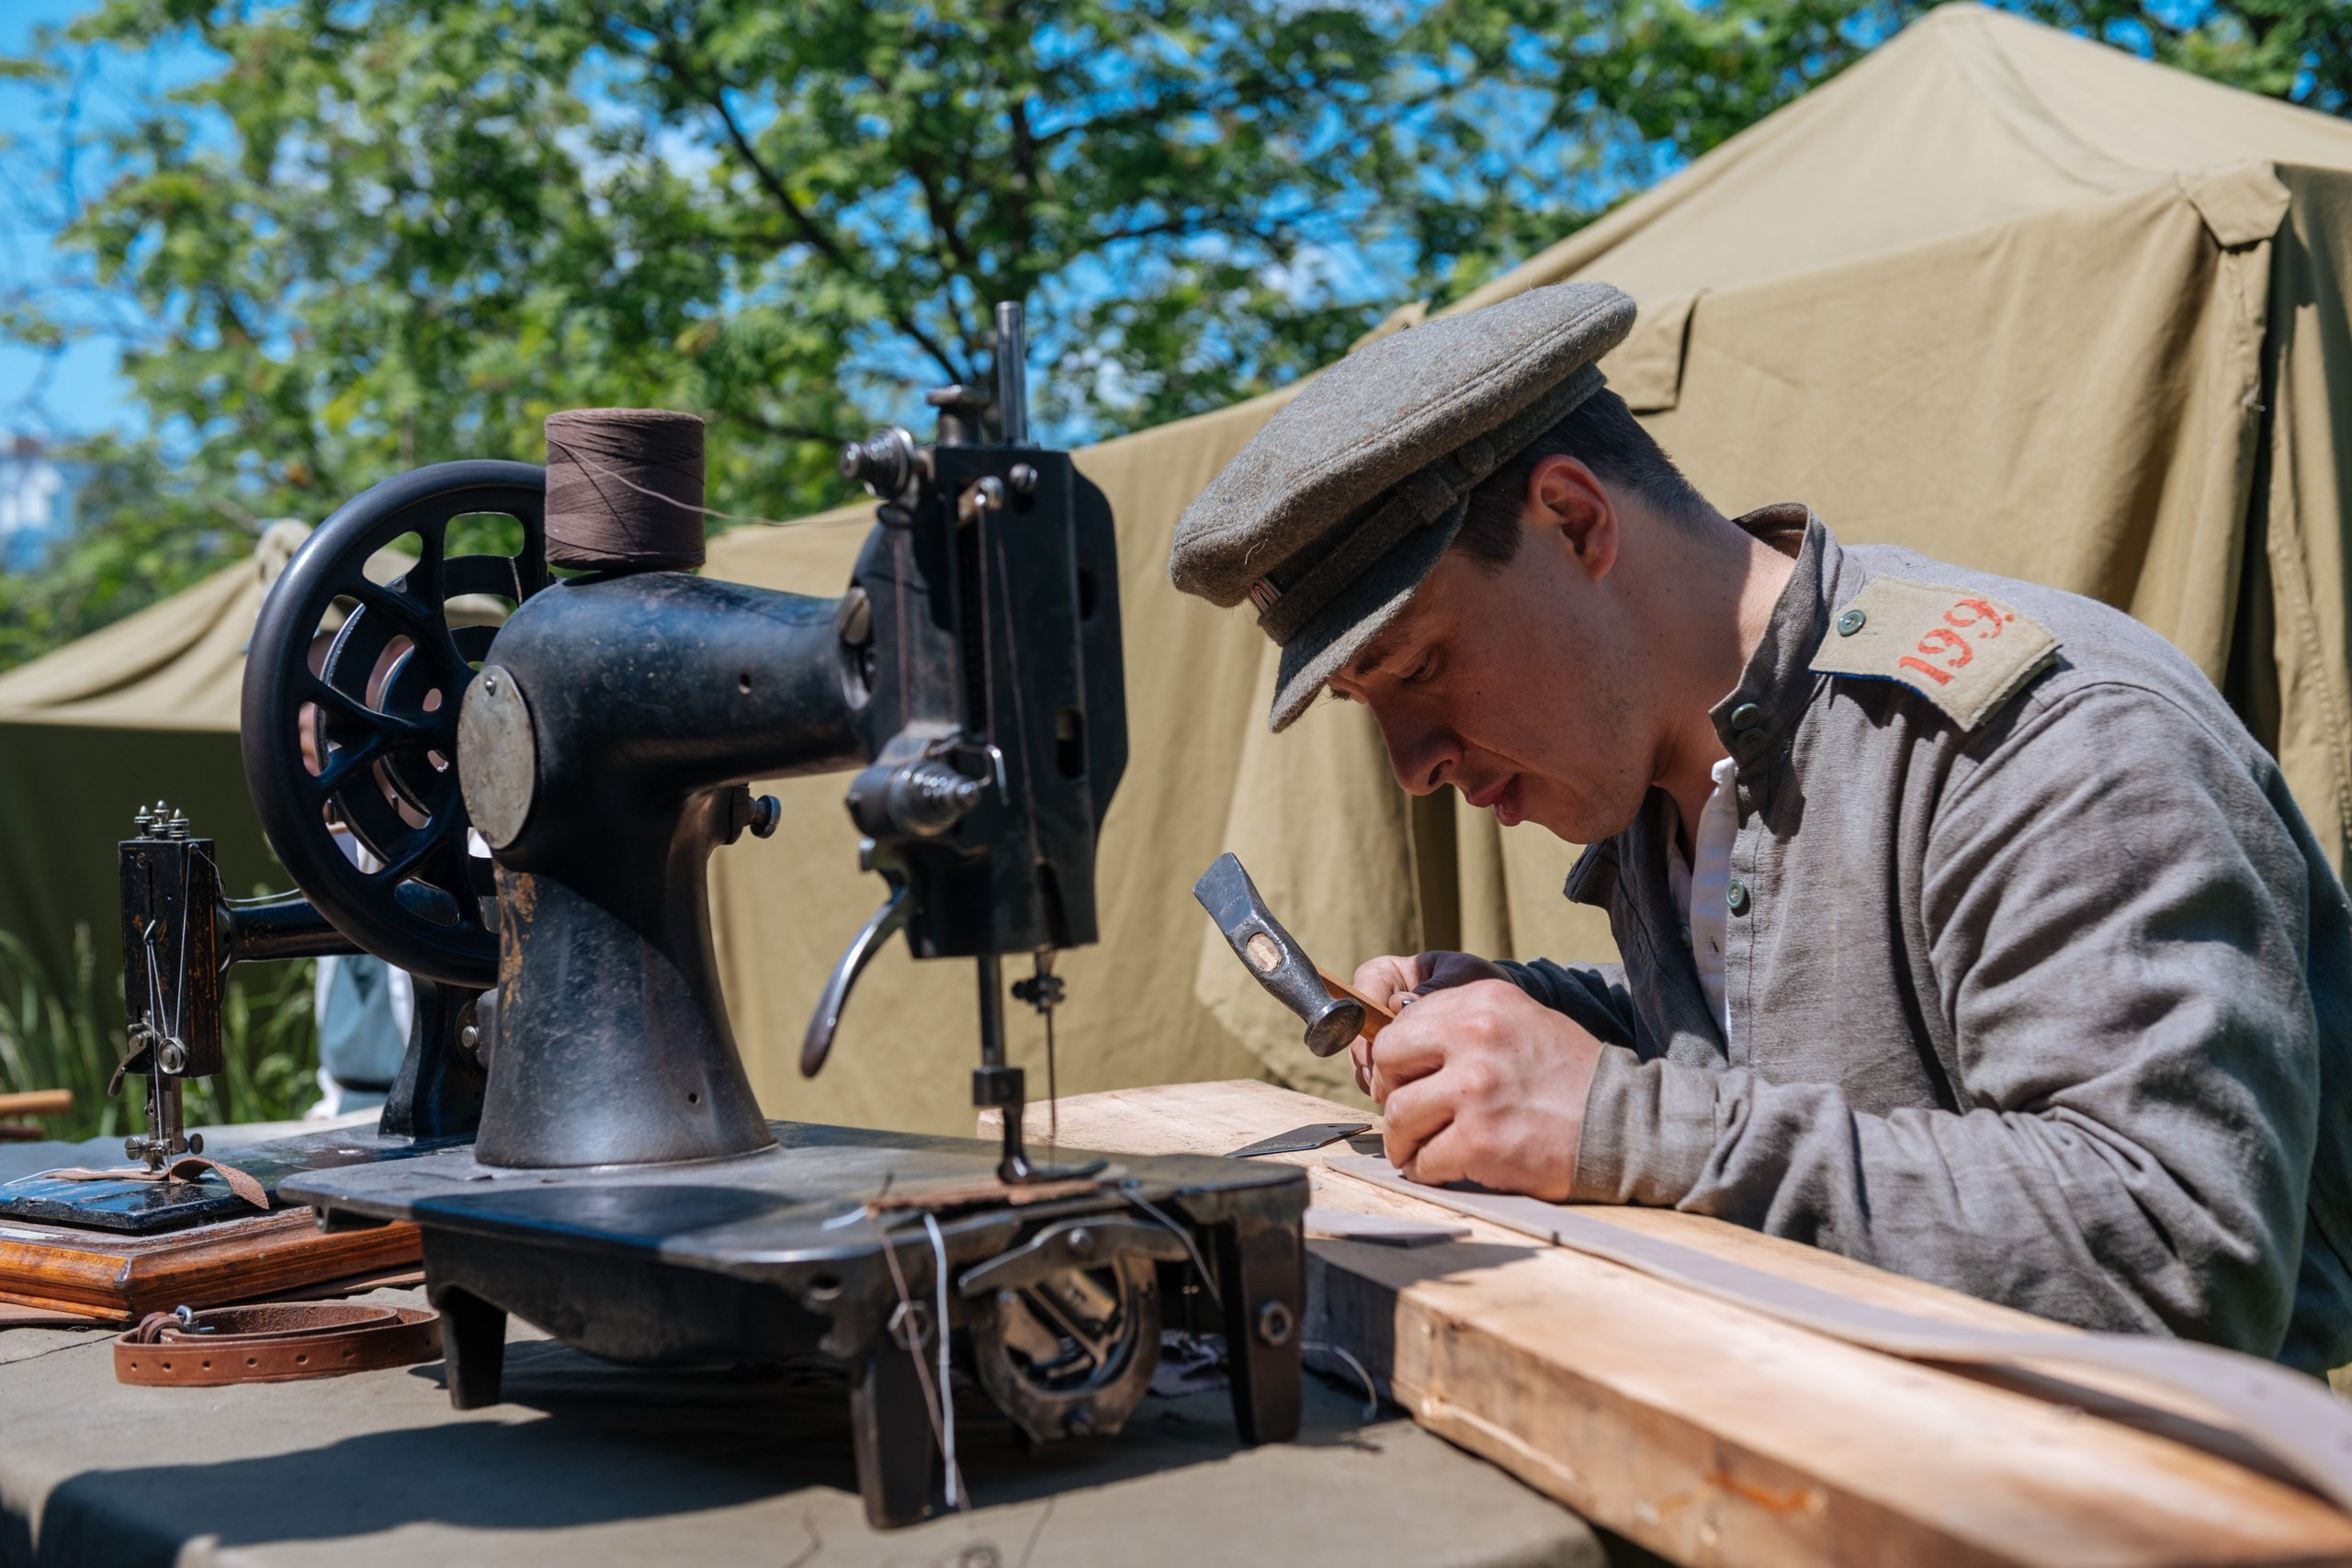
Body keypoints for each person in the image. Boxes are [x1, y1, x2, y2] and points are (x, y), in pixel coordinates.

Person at [1168, 281, 2352, 1374]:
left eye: (1422, 665)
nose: (1414, 767)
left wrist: (1616, 1122)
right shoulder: (1663, 771)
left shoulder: (2040, 739)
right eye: (1371, 708)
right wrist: (1537, 1029)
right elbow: (1826, 1058)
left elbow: (2172, 1253)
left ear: (1574, 521)